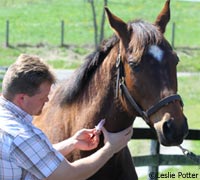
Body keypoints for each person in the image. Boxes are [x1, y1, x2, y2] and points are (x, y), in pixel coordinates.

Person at [0, 54, 133, 180]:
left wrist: (73, 142)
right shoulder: (21, 135)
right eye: (42, 97)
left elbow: (31, 155)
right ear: (22, 98)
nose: (47, 100)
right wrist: (110, 148)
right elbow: (69, 175)